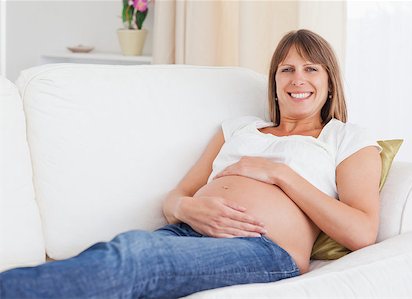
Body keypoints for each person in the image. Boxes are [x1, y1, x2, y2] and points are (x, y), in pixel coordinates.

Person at [0, 29, 382, 299]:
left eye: (311, 69)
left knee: (134, 258)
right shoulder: (239, 129)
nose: (298, 79)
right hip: (188, 232)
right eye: (287, 69)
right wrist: (188, 208)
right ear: (275, 81)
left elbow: (362, 231)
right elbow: (176, 196)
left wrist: (279, 174)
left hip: (265, 250)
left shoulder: (344, 138)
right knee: (123, 250)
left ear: (330, 82)